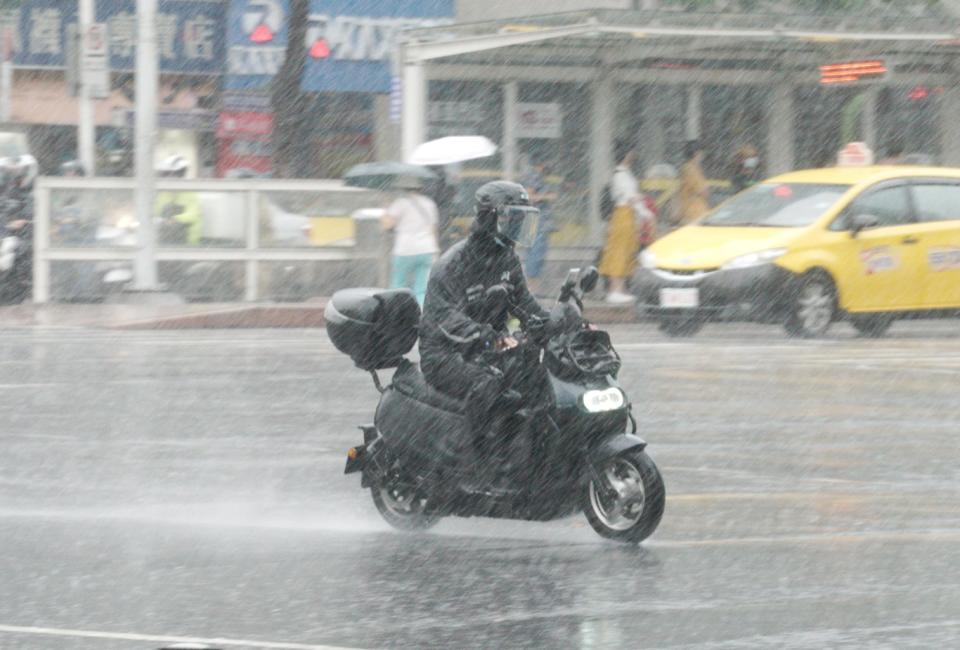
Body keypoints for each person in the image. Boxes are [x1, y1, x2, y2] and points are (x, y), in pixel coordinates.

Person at [419, 180, 551, 481]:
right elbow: (446, 319)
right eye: (513, 220)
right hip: (445, 354)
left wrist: (560, 323)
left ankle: (523, 456)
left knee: (537, 377)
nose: (519, 227)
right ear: (492, 218)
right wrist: (488, 337)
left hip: (490, 349)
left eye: (522, 220)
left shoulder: (507, 259)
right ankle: (474, 464)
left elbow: (526, 305)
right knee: (487, 385)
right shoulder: (453, 264)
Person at [598, 142, 652, 304]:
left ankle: (620, 289)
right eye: (631, 152)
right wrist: (644, 209)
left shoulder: (624, 173)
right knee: (619, 252)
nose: (633, 155)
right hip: (623, 216)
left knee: (626, 251)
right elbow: (631, 197)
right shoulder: (621, 175)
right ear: (627, 155)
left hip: (627, 216)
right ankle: (615, 289)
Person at [381, 176, 440, 305]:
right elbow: (433, 229)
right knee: (421, 289)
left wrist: (386, 209)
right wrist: (436, 250)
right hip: (427, 249)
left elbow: (387, 225)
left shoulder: (400, 203)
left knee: (398, 286)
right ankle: (420, 315)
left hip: (405, 250)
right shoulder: (429, 204)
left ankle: (396, 315)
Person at [520, 154, 558, 295]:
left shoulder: (535, 175)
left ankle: (533, 288)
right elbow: (529, 197)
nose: (551, 165)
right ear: (541, 163)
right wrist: (548, 196)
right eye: (549, 161)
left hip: (537, 222)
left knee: (536, 254)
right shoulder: (533, 176)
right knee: (535, 255)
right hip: (537, 223)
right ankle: (531, 288)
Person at [155, 155, 201, 245]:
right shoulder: (162, 194)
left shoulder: (190, 193)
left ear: (179, 175)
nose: (166, 178)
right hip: (163, 242)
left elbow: (193, 215)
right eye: (164, 174)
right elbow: (153, 213)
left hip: (187, 243)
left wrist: (175, 220)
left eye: (168, 174)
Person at [676, 140, 709, 226]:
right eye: (701, 152)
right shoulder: (692, 170)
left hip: (690, 213)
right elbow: (704, 192)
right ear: (696, 153)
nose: (702, 155)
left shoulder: (688, 168)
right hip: (695, 215)